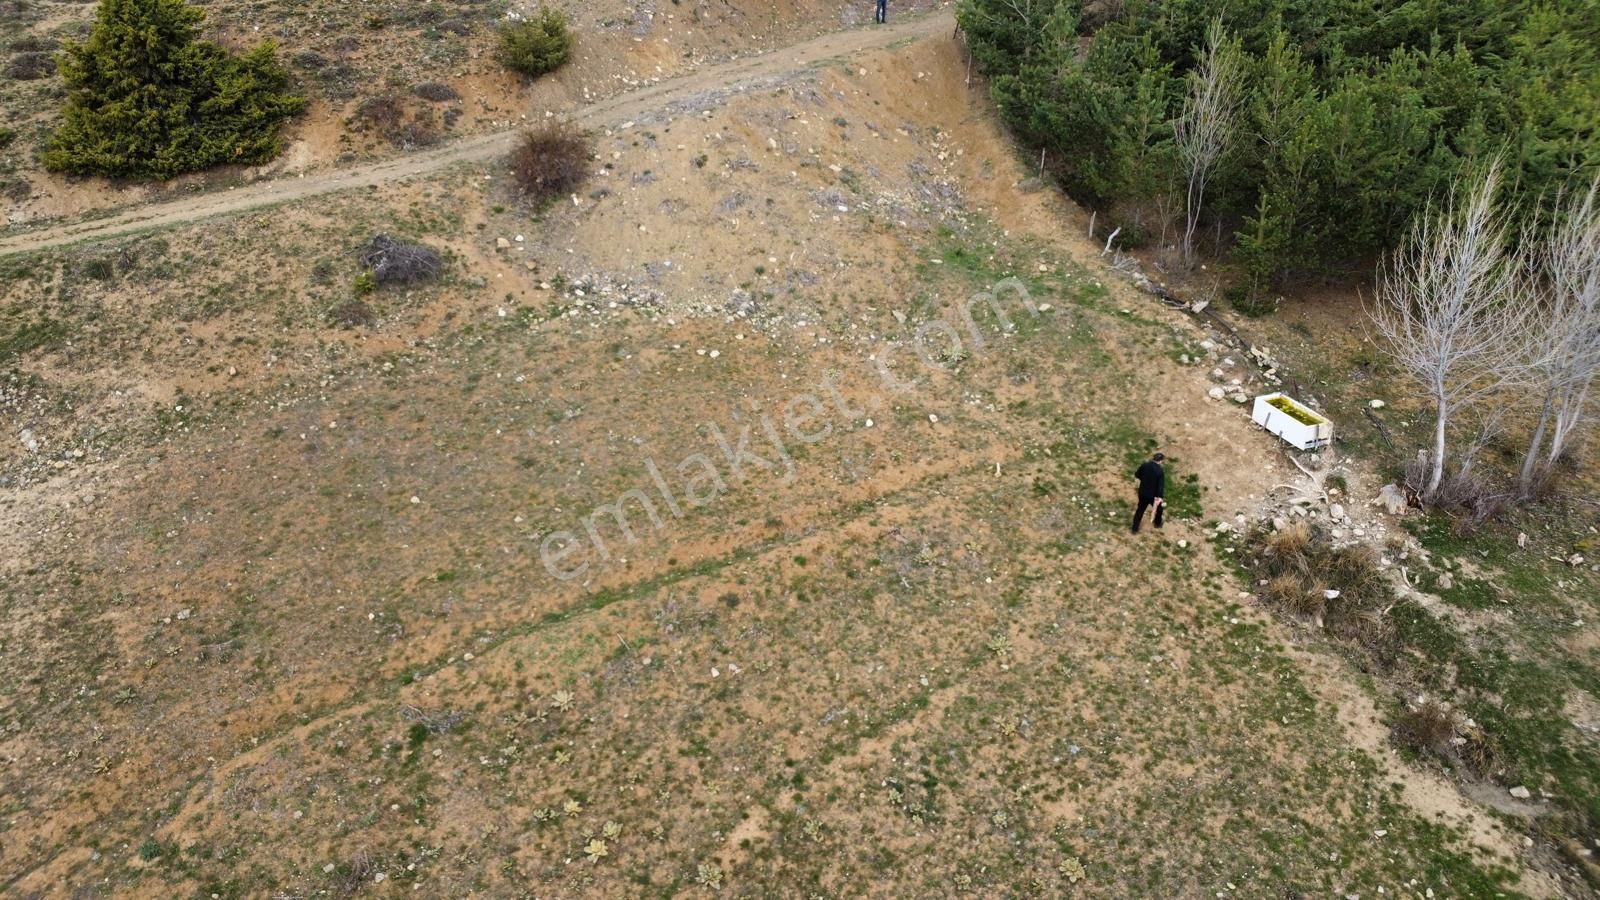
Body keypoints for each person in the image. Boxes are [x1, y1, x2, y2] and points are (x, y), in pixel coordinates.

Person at [1131, 452, 1165, 533]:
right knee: (1159, 509)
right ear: (1160, 461)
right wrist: (1160, 497)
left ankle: (1134, 529)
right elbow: (1160, 486)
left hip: (1142, 493)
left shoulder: (1145, 465)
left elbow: (1137, 474)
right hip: (1153, 496)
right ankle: (1157, 523)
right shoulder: (1159, 471)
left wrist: (1144, 479)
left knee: (1140, 510)